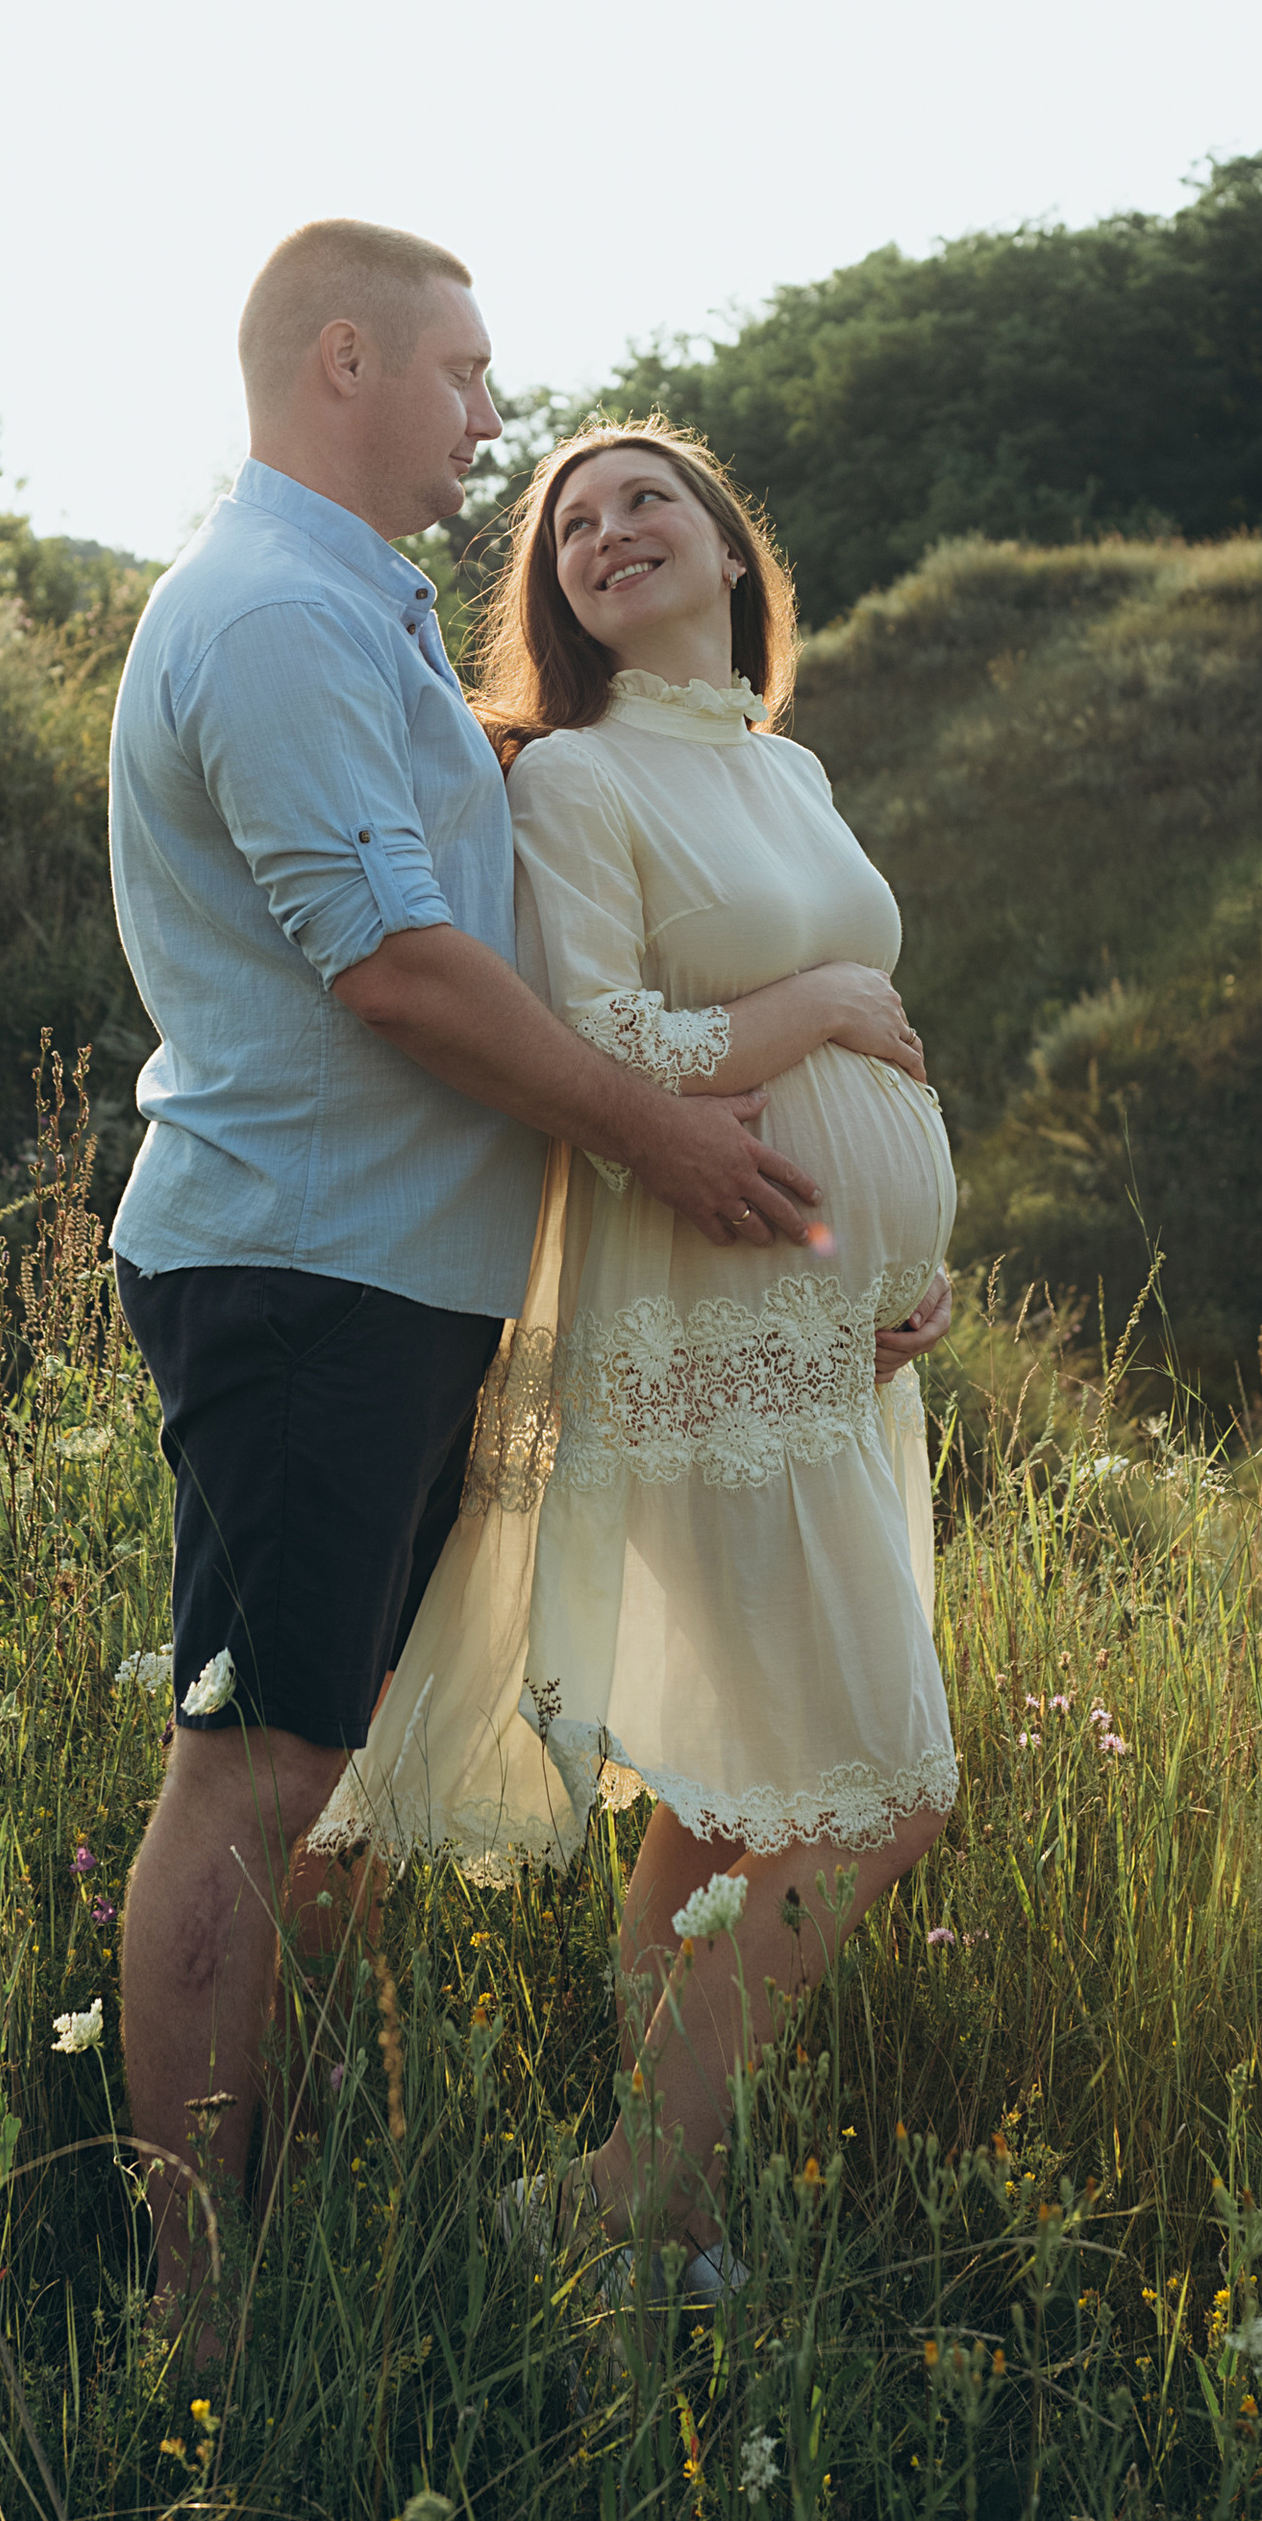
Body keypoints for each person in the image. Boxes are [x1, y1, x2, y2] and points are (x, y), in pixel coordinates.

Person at [106, 225, 823, 2331]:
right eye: (465, 372)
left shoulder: (350, 611)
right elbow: (402, 967)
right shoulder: (268, 619)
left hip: (387, 1279)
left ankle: (283, 2213)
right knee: (254, 1771)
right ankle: (192, 2298)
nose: (491, 418)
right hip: (306, 1271)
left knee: (316, 1776)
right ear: (347, 360)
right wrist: (649, 1127)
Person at [319, 418, 958, 2284]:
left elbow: (878, 1054)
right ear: (556, 590)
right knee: (880, 1795)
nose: (611, 531)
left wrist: (915, 1261)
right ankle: (606, 2201)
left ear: (730, 551)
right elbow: (591, 1039)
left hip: (838, 1335)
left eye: (647, 501)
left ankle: (654, 2210)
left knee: (730, 1785)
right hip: (703, 1329)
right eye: (573, 520)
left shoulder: (795, 765)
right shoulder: (577, 785)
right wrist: (817, 999)